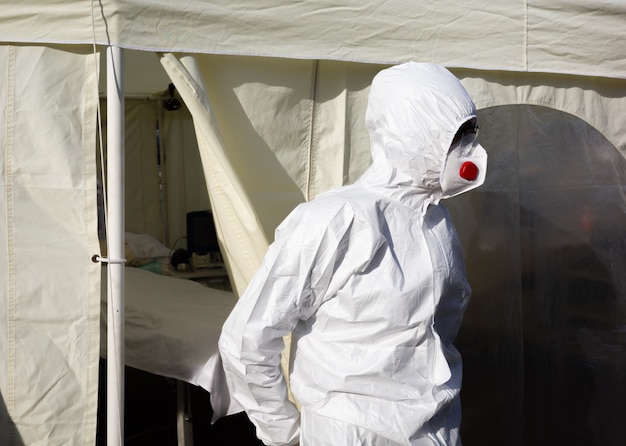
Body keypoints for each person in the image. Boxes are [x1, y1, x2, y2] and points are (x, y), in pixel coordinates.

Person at [218, 62, 488, 446]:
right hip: (351, 435)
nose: (470, 149)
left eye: (470, 132)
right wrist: (286, 434)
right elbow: (247, 339)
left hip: (438, 428)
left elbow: (434, 335)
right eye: (457, 135)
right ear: (413, 134)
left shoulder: (437, 220)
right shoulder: (334, 220)